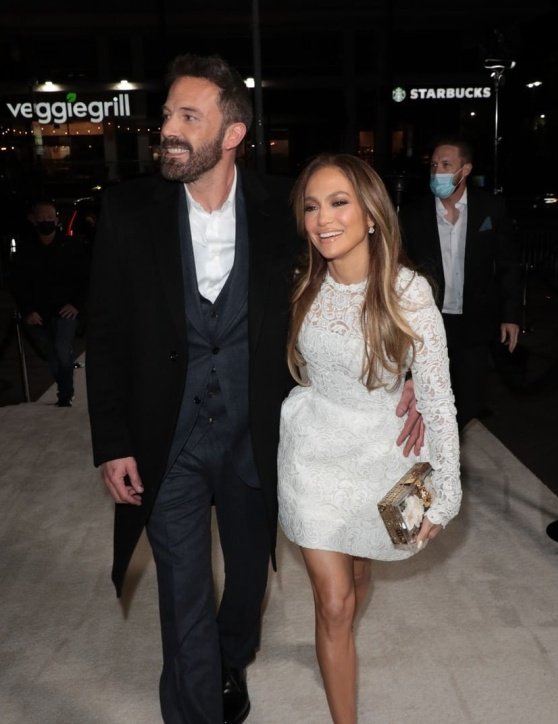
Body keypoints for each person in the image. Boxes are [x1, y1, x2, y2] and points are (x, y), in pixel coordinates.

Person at [85, 53, 423, 724]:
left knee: (245, 578)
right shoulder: (127, 211)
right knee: (180, 589)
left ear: (232, 132)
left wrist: (405, 374)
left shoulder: (282, 210)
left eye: (189, 117)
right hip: (167, 437)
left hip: (259, 437)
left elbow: (359, 279)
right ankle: (194, 706)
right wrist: (113, 440)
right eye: (167, 116)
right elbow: (107, 331)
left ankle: (231, 659)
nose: (169, 131)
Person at [277, 153, 462, 723]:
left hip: (383, 454)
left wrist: (445, 487)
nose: (322, 219)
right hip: (312, 453)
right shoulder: (303, 280)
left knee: (358, 578)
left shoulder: (410, 293)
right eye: (311, 206)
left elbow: (435, 399)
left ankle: (339, 642)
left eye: (338, 202)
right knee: (333, 602)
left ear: (372, 214)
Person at [399, 138, 522, 430]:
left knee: (468, 399)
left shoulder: (490, 208)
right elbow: (401, 269)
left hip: (475, 321)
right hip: (428, 322)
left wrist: (511, 315)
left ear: (465, 170)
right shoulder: (414, 214)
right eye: (433, 165)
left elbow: (508, 264)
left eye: (445, 165)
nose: (436, 171)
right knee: (426, 397)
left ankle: (452, 455)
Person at [9, 199, 88, 406]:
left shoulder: (71, 246)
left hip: (65, 311)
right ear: (33, 220)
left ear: (56, 219)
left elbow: (85, 278)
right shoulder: (26, 250)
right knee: (51, 354)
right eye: (42, 218)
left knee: (62, 349)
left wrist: (76, 304)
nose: (46, 222)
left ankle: (65, 392)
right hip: (39, 313)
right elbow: (17, 284)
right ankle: (63, 391)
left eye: (50, 218)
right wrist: (28, 310)